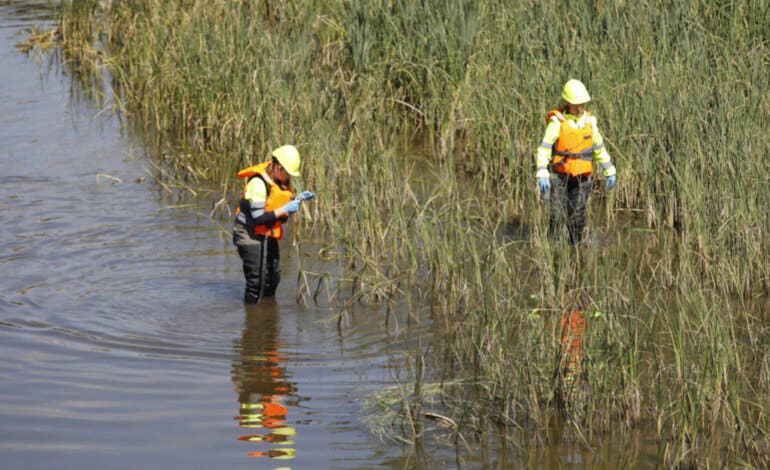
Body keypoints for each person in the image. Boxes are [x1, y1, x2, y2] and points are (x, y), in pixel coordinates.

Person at [535, 79, 617, 245]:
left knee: (577, 216)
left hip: (582, 178)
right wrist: (542, 171)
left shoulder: (590, 122)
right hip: (559, 176)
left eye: (582, 104)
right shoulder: (556, 122)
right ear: (567, 102)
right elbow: (544, 148)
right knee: (556, 215)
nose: (579, 108)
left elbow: (599, 147)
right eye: (575, 104)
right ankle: (553, 249)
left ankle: (575, 250)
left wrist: (609, 170)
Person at [232, 144, 315, 303]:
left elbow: (277, 213)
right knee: (256, 282)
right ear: (277, 167)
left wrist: (296, 203)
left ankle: (269, 319)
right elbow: (258, 219)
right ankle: (252, 321)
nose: (289, 178)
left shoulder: (280, 181)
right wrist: (285, 208)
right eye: (288, 173)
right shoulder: (258, 183)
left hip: (267, 232)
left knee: (273, 276)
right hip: (248, 233)